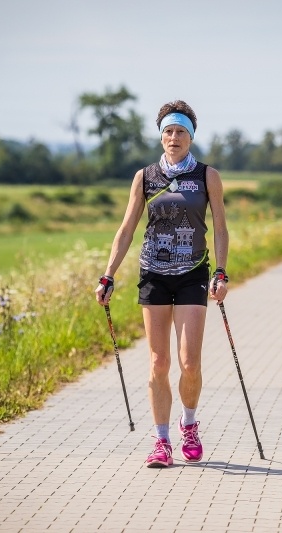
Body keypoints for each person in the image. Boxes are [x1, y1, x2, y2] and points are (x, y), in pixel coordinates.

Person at [94, 100, 229, 468]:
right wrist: (109, 274)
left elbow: (219, 227)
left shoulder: (207, 176)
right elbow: (126, 229)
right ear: (161, 135)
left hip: (192, 274)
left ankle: (188, 424)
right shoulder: (145, 176)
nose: (174, 137)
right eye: (168, 131)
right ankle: (161, 440)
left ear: (191, 136)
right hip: (153, 273)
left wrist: (221, 272)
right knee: (158, 362)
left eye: (181, 131)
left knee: (189, 362)